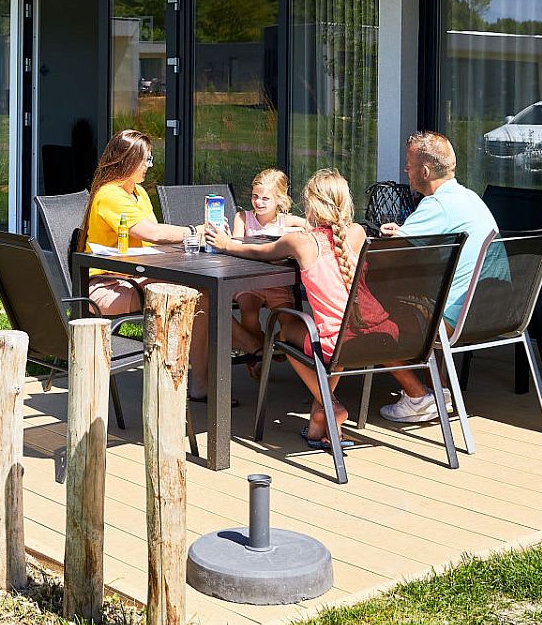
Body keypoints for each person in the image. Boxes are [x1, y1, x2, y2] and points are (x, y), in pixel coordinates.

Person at [207, 169, 396, 446]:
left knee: (284, 334)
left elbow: (257, 252)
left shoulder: (300, 242)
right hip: (376, 334)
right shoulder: (355, 233)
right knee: (333, 342)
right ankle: (320, 419)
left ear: (310, 204)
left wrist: (226, 244)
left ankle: (329, 404)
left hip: (336, 340)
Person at [377, 130, 501, 423]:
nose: (405, 170)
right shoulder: (469, 198)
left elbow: (383, 257)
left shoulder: (437, 205)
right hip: (491, 313)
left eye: (408, 164)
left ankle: (417, 397)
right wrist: (404, 235)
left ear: (425, 170)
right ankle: (440, 389)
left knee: (364, 313)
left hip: (451, 320)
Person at [78, 130, 213, 398]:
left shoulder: (138, 192)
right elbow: (151, 233)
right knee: (201, 297)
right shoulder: (109, 195)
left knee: (205, 292)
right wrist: (194, 231)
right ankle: (200, 380)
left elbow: (154, 239)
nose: (149, 166)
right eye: (146, 159)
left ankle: (250, 348)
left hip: (135, 276)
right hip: (106, 286)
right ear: (128, 160)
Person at [227, 168, 308, 350]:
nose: (258, 202)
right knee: (249, 313)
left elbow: (313, 227)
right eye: (255, 196)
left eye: (265, 198)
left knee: (289, 321)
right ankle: (255, 355)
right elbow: (235, 246)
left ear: (279, 199)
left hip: (277, 283)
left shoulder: (285, 221)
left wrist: (297, 232)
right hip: (249, 282)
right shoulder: (242, 218)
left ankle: (273, 348)